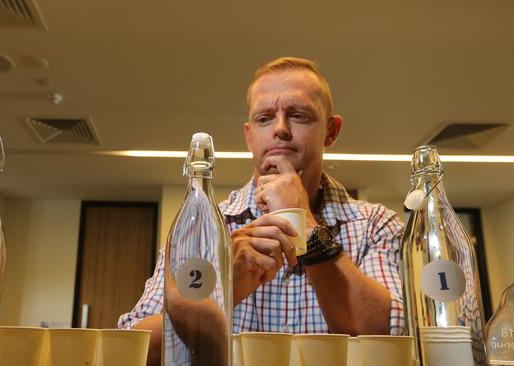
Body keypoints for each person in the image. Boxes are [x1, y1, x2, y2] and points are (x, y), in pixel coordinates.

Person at [118, 57, 405, 365]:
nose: (280, 129)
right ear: (249, 135)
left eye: (299, 115)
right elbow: (134, 350)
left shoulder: (377, 224)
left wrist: (307, 227)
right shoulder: (200, 229)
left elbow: (389, 340)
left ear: (331, 131)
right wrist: (220, 291)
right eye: (265, 118)